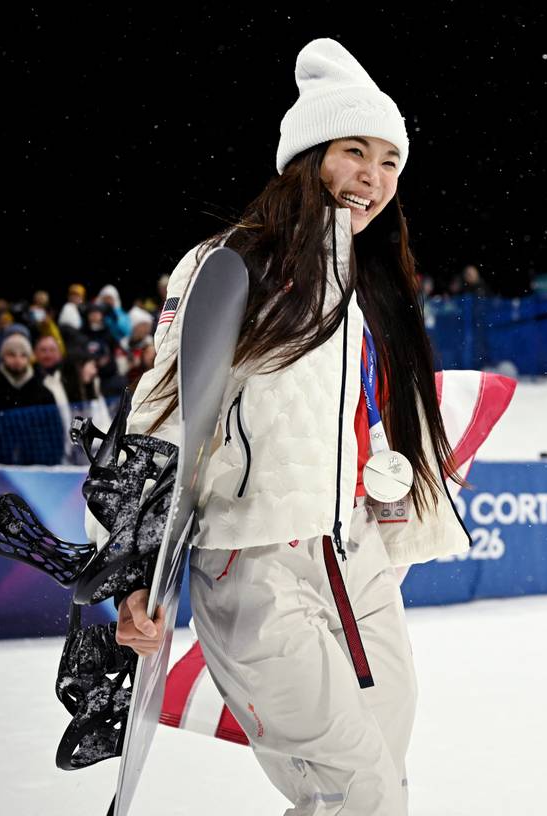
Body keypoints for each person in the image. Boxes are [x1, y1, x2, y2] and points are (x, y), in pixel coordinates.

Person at [91, 38, 470, 815]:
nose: (373, 176)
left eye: (391, 161)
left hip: (356, 561)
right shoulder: (227, 265)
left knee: (378, 772)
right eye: (354, 151)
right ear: (306, 156)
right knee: (359, 788)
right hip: (256, 565)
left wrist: (389, 481)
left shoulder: (371, 296)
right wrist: (131, 576)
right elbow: (162, 420)